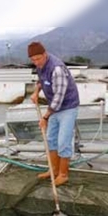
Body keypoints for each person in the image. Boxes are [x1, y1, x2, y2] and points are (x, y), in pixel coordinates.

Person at [28, 42, 79, 186]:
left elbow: (58, 97)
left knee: (63, 142)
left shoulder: (57, 69)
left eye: (38, 59)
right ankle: (53, 170)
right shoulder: (40, 66)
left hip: (67, 106)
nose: (36, 62)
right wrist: (36, 91)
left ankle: (63, 174)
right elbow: (41, 80)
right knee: (51, 139)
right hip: (55, 107)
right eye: (33, 60)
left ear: (45, 54)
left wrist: (45, 117)